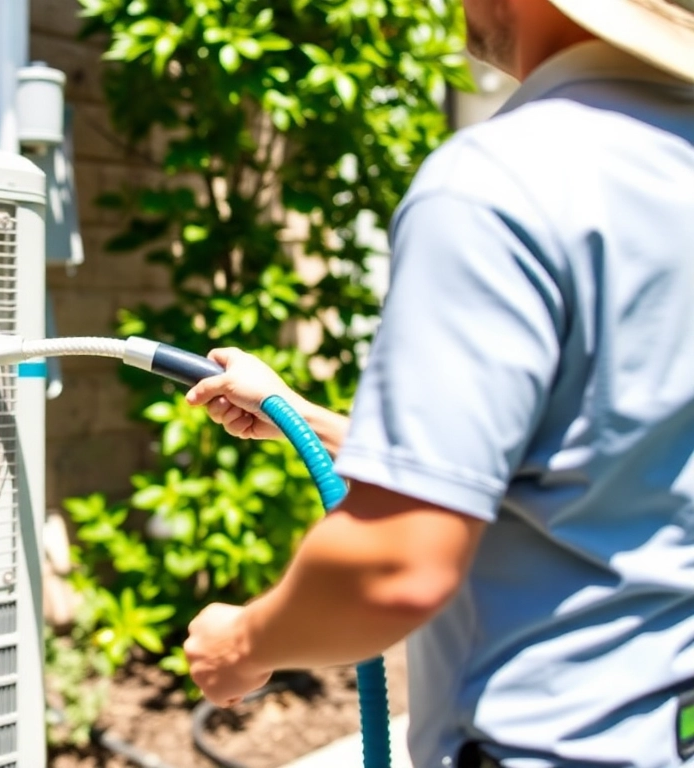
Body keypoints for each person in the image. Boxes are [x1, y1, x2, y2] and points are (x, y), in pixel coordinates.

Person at [179, 1, 694, 766]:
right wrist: (300, 416)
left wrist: (246, 641)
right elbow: (606, 465)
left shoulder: (504, 180)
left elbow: (395, 566)